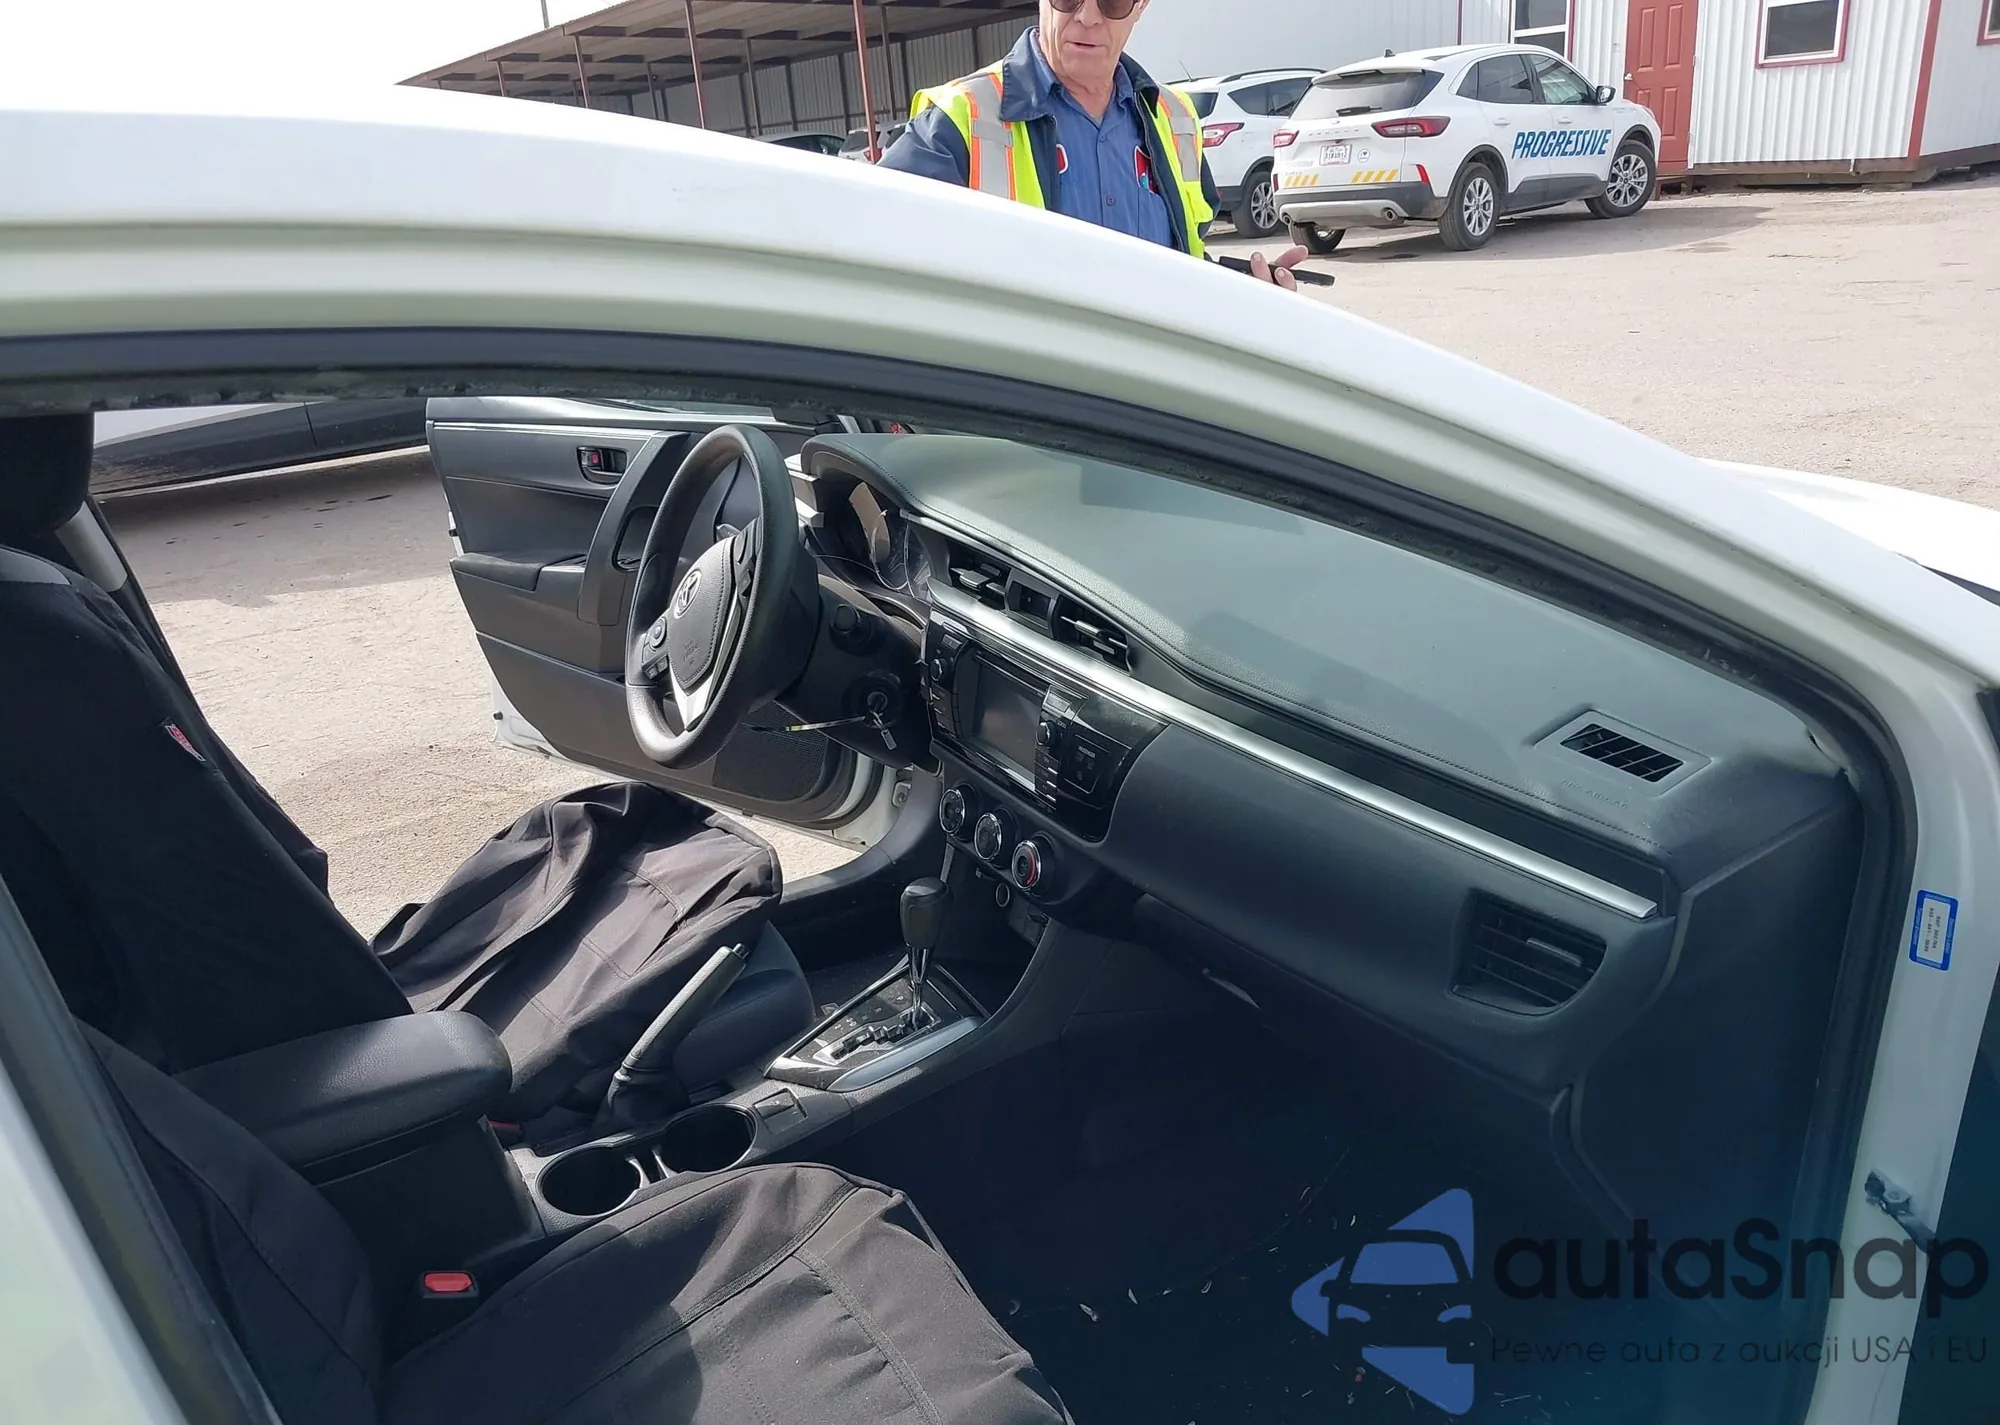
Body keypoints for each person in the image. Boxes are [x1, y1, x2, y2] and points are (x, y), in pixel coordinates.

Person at [879, 0, 1307, 289]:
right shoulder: (962, 117)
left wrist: (1246, 295)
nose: (1087, 16)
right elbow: (875, 256)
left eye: (1112, 2)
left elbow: (1188, 266)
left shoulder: (1175, 119)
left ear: (1140, 7)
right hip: (1023, 392)